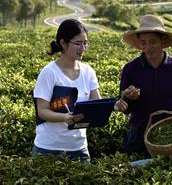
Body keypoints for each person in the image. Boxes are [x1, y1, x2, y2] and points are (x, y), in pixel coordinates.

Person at [32, 19, 125, 162]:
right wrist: (65, 117)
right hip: (48, 148)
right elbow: (42, 111)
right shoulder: (49, 73)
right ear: (63, 43)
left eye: (85, 43)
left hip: (78, 148)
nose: (83, 48)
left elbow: (96, 103)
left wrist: (113, 106)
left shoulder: (88, 72)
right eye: (78, 43)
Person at [117, 14, 172, 155]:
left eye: (153, 42)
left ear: (162, 42)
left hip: (170, 130)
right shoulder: (130, 69)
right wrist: (130, 98)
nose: (148, 47)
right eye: (143, 43)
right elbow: (124, 107)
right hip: (139, 132)